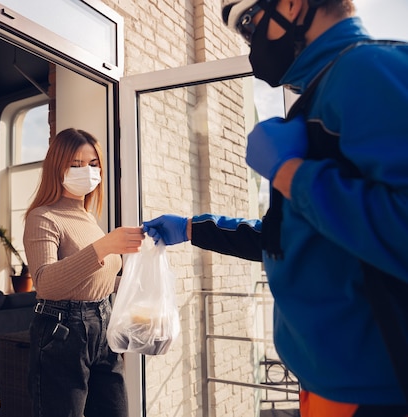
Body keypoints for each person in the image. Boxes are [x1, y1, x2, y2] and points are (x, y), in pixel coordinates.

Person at [143, 0, 408, 416]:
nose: (251, 46)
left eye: (249, 24)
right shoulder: (324, 90)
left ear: (291, 4)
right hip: (331, 383)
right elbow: (296, 238)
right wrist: (193, 228)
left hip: (375, 390)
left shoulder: (365, 71)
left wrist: (290, 173)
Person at [23, 127, 144, 417]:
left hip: (102, 323)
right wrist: (103, 247)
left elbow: (89, 279)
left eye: (92, 164)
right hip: (63, 331)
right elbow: (46, 284)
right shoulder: (43, 217)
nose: (86, 171)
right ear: (57, 167)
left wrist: (131, 281)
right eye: (76, 164)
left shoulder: (88, 216)